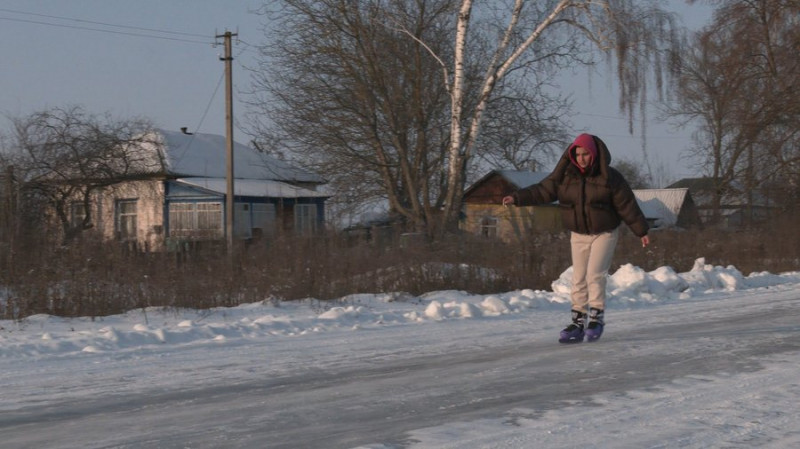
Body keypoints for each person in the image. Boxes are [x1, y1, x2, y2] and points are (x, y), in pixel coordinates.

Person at [502, 133, 650, 343]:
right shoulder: (565, 176)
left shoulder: (610, 177)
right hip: (578, 233)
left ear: (594, 154)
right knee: (578, 277)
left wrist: (641, 230)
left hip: (604, 232)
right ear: (572, 156)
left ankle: (596, 317)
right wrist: (517, 198)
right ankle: (578, 322)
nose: (581, 158)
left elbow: (626, 205)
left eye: (586, 154)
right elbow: (543, 191)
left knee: (594, 275)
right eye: (578, 154)